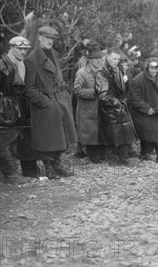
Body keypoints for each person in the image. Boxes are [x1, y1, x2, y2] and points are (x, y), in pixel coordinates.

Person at [24, 26, 76, 179]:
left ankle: (57, 165)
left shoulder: (53, 54)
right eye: (47, 38)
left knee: (62, 136)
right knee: (47, 139)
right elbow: (29, 89)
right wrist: (45, 102)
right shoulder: (31, 60)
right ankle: (49, 169)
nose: (50, 41)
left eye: (52, 39)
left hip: (57, 99)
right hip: (44, 104)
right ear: (39, 38)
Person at [96, 48, 138, 167]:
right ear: (107, 56)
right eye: (114, 58)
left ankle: (123, 157)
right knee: (112, 134)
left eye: (118, 59)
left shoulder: (119, 70)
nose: (116, 61)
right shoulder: (101, 73)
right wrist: (118, 103)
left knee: (123, 132)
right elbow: (103, 95)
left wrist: (126, 90)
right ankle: (115, 159)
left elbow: (124, 87)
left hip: (119, 106)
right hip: (108, 108)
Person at [127, 58, 158, 163]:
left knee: (155, 130)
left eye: (156, 68)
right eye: (152, 68)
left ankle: (144, 153)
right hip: (143, 112)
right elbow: (134, 98)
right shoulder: (137, 80)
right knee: (153, 131)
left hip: (157, 108)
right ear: (147, 67)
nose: (154, 71)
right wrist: (147, 108)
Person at [0, 36, 32, 184]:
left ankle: (11, 173)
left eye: (25, 49)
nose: (23, 52)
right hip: (5, 107)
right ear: (12, 48)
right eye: (20, 49)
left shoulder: (19, 64)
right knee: (4, 141)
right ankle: (10, 173)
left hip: (15, 106)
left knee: (13, 139)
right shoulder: (3, 64)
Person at [73, 48, 106, 163]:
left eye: (100, 59)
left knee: (98, 130)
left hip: (100, 107)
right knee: (88, 131)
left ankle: (85, 151)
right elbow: (77, 90)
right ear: (90, 60)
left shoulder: (103, 72)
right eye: (95, 59)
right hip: (86, 108)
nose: (98, 61)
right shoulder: (82, 73)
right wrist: (94, 92)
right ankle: (91, 154)